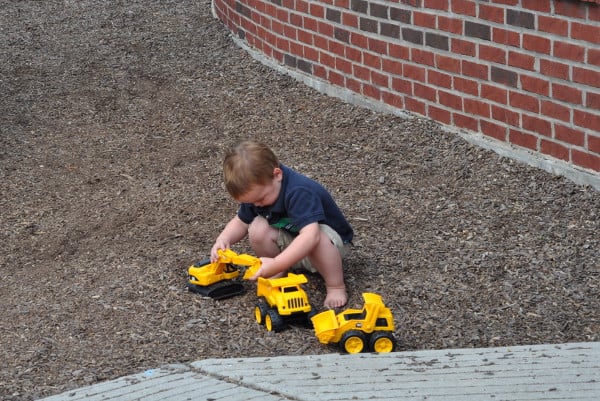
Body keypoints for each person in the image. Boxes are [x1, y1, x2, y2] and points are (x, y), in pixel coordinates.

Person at [210, 140, 353, 309]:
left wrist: (278, 261)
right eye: (252, 202)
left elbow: (310, 236)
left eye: (261, 199)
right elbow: (241, 221)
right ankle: (277, 272)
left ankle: (335, 285)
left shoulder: (298, 191)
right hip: (295, 242)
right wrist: (223, 239)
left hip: (331, 247)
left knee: (317, 237)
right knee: (257, 227)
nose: (257, 205)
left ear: (277, 174)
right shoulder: (259, 191)